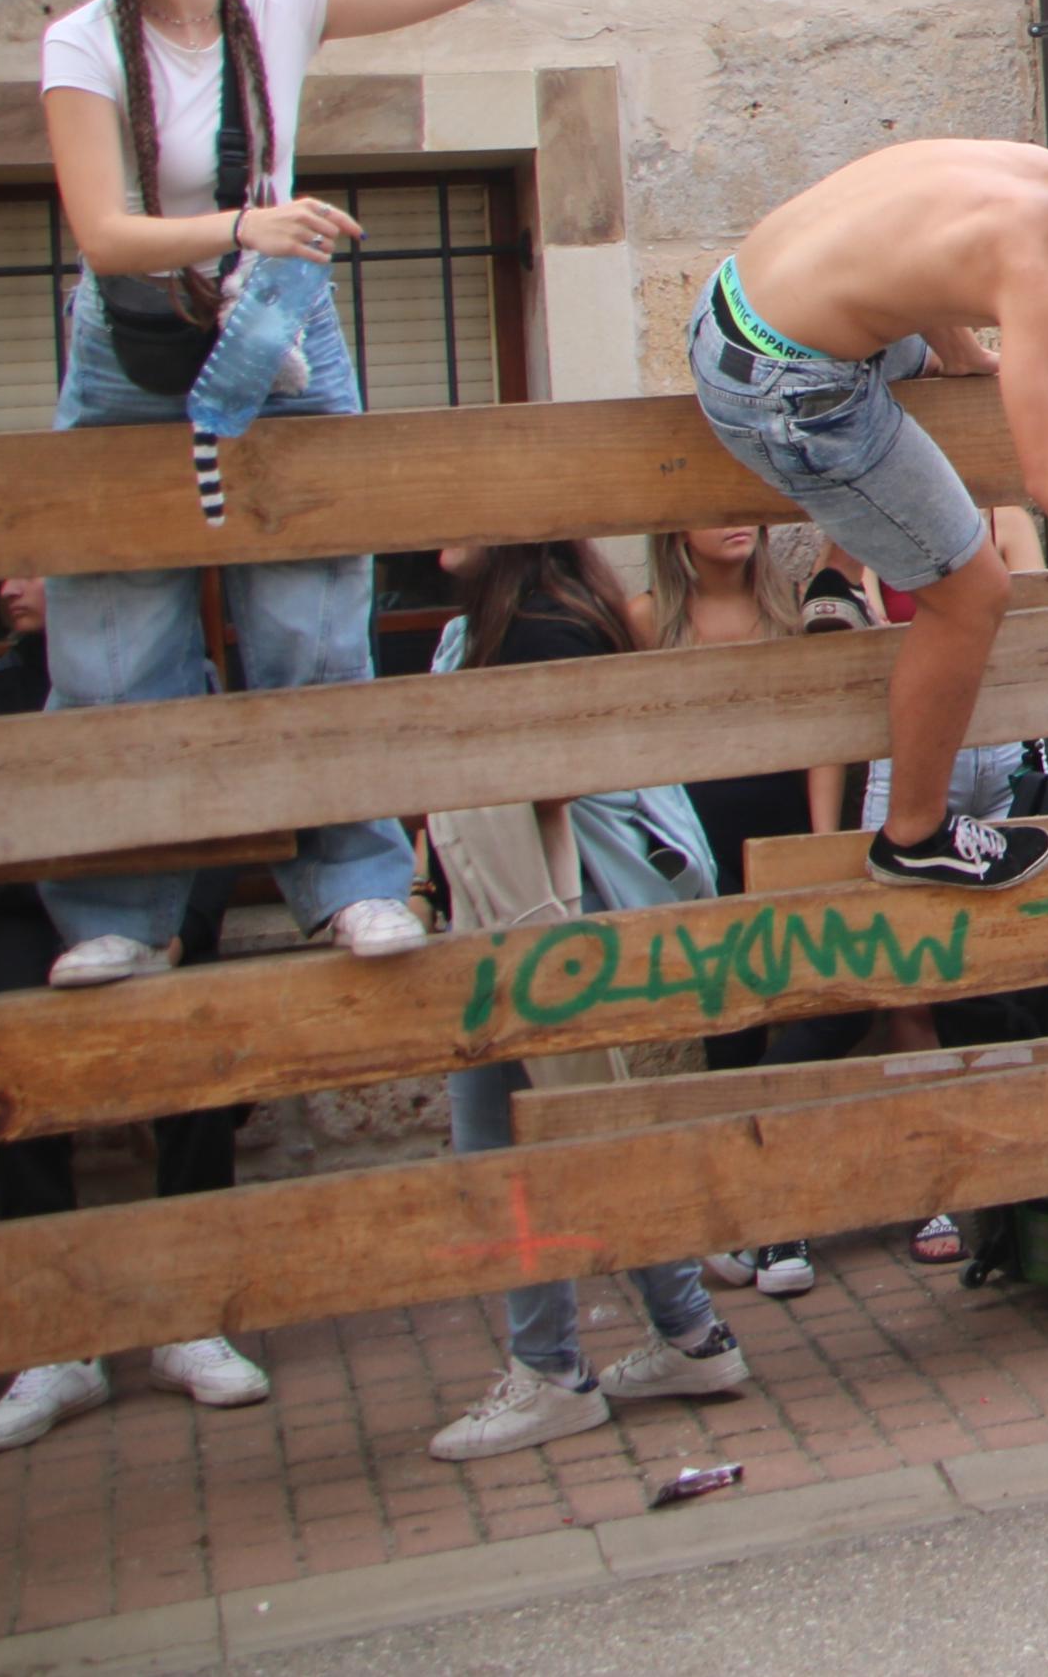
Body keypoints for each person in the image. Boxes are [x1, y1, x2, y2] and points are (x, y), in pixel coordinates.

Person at [29, 0, 508, 987]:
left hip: (283, 330)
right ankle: (121, 912)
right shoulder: (83, 43)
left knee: (309, 625)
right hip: (134, 348)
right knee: (115, 643)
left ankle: (351, 883)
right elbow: (103, 233)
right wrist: (246, 219)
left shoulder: (279, 2)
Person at [690, 65, 1048, 892]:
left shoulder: (1035, 174)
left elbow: (912, 244)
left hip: (732, 307)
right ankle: (914, 834)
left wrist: (964, 353)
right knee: (972, 591)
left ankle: (859, 578)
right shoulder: (1039, 273)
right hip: (784, 385)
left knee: (950, 480)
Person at [0, 579, 277, 1458]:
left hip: (154, 926)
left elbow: (222, 819)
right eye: (2, 569)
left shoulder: (179, 679)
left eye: (35, 567)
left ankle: (189, 1318)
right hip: (27, 925)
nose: (10, 585)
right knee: (8, 1061)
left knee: (195, 1065)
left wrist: (188, 929)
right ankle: (61, 1340)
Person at [421, 543, 751, 1462]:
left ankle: (552, 1371)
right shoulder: (561, 613)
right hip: (559, 926)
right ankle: (690, 1334)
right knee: (593, 1134)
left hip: (544, 932)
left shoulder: (534, 630)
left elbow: (541, 779)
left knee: (503, 1146)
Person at [636, 525, 843, 905]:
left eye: (744, 511)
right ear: (679, 530)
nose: (737, 523)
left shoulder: (792, 607)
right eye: (716, 515)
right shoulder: (647, 617)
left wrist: (821, 841)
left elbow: (822, 736)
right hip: (688, 834)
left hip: (781, 820)